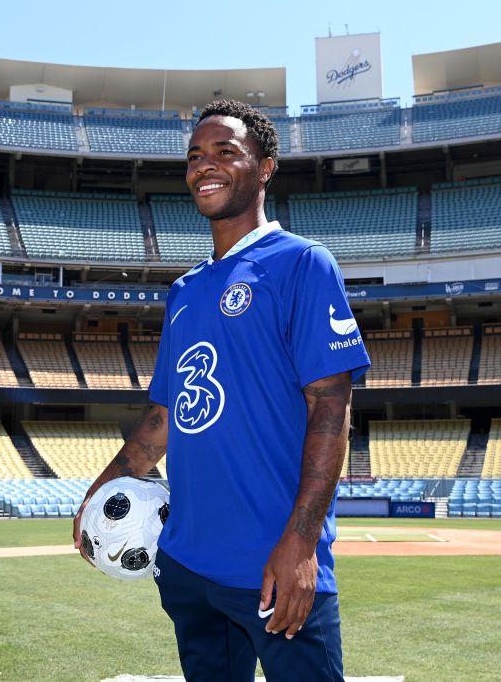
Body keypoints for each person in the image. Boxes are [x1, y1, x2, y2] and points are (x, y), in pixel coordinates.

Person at [74, 100, 370, 682]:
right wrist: (104, 483)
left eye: (224, 152)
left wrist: (302, 544)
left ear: (264, 167)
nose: (204, 166)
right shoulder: (184, 291)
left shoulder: (303, 264)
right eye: (194, 155)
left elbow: (331, 408)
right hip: (185, 562)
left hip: (270, 563)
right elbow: (164, 413)